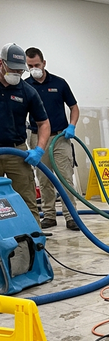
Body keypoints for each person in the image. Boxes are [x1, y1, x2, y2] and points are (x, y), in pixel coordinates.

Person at [25, 47, 80, 231]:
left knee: (65, 177)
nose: (34, 68)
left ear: (44, 63)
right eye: (30, 65)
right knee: (44, 178)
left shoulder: (59, 83)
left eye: (37, 65)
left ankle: (71, 216)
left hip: (60, 138)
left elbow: (74, 107)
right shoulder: (25, 86)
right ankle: (49, 215)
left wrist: (72, 125)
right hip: (37, 139)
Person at [0, 43, 50, 226]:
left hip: (17, 152)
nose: (17, 74)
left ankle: (35, 241)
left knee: (27, 200)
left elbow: (43, 123)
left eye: (20, 71)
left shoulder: (28, 91)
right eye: (13, 68)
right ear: (1, 63)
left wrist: (39, 150)